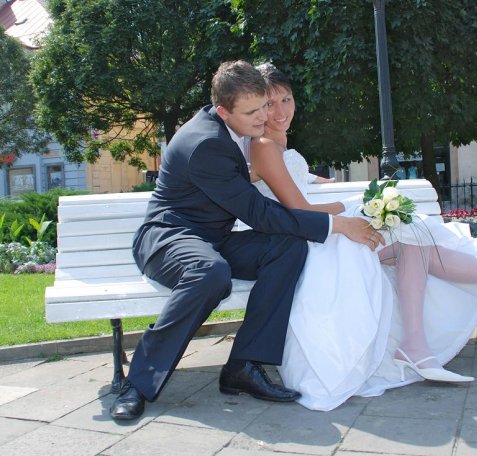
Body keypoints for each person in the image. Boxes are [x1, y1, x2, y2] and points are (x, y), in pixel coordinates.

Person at [248, 62, 477, 411]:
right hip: (307, 243)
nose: (280, 111)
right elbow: (298, 208)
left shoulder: (278, 144)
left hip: (316, 234)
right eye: (270, 104)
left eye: (286, 100)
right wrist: (355, 204)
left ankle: (426, 341)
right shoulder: (263, 145)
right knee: (413, 235)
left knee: (414, 240)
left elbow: (292, 181)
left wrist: (325, 184)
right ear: (257, 107)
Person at [109, 60, 385, 421]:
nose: (264, 117)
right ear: (224, 111)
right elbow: (259, 213)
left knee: (287, 247)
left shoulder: (236, 128)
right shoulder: (206, 143)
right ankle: (138, 382)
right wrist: (337, 225)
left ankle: (243, 365)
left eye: (264, 106)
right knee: (211, 273)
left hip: (215, 238)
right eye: (252, 112)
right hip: (169, 237)